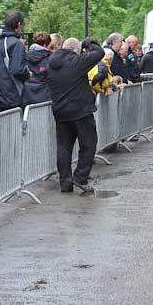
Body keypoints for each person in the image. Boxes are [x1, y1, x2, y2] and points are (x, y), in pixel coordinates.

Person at [47, 37, 105, 193]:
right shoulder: (77, 62)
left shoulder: (51, 63)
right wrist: (89, 42)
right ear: (76, 50)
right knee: (89, 144)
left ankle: (65, 182)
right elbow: (100, 52)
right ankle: (80, 177)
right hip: (80, 111)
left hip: (60, 111)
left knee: (63, 147)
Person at [0, 10, 28, 114]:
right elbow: (17, 70)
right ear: (18, 24)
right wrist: (27, 74)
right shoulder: (17, 44)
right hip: (10, 99)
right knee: (13, 130)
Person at [22, 31, 53, 106]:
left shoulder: (24, 56)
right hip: (44, 98)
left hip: (27, 96)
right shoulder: (50, 58)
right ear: (46, 44)